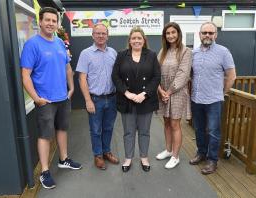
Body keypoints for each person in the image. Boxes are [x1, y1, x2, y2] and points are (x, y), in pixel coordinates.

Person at [20, 7, 82, 189]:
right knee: (45, 135)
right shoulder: (32, 44)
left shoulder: (60, 43)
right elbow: (25, 74)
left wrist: (71, 88)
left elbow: (67, 68)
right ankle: (45, 171)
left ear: (57, 23)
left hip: (62, 97)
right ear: (39, 22)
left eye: (54, 21)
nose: (50, 23)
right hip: (45, 100)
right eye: (47, 20)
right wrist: (36, 98)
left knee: (62, 129)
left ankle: (64, 159)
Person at [189, 22, 236, 175]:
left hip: (214, 100)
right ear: (199, 35)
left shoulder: (224, 52)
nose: (207, 35)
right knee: (199, 129)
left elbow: (231, 76)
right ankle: (201, 153)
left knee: (214, 131)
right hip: (196, 99)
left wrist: (222, 93)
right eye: (204, 33)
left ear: (215, 35)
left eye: (210, 33)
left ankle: (212, 160)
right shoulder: (194, 53)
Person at [112, 26, 161, 172]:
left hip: (145, 101)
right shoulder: (121, 55)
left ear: (144, 40)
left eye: (139, 38)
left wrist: (144, 94)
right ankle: (128, 158)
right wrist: (127, 93)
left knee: (144, 131)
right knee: (128, 131)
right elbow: (115, 76)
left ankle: (144, 157)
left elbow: (156, 77)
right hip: (127, 100)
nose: (136, 40)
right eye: (133, 38)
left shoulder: (151, 55)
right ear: (129, 40)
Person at [76, 23, 119, 170]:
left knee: (108, 127)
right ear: (92, 35)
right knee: (96, 129)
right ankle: (98, 155)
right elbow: (82, 78)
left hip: (112, 98)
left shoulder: (113, 52)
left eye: (103, 33)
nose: (100, 36)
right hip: (95, 99)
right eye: (97, 33)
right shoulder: (85, 53)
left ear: (108, 35)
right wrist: (88, 100)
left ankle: (107, 151)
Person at [155, 22, 192, 169]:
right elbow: (155, 72)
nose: (170, 35)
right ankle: (169, 150)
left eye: (173, 32)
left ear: (178, 33)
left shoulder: (185, 51)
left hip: (176, 93)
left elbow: (183, 75)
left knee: (175, 124)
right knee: (166, 122)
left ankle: (175, 156)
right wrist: (160, 90)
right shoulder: (162, 52)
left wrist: (168, 92)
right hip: (163, 92)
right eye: (167, 33)